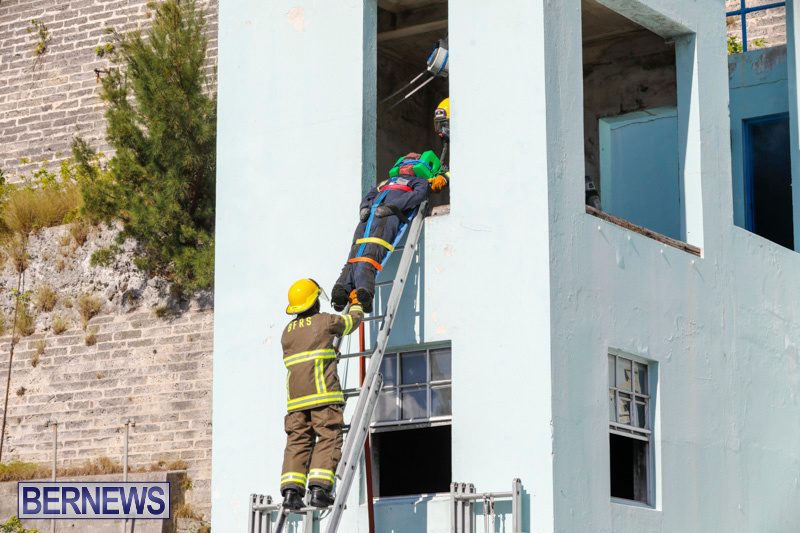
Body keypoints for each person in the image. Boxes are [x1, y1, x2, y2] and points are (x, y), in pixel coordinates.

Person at [279, 279, 364, 509]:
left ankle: (291, 494)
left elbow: (308, 354)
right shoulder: (325, 321)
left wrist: (328, 354)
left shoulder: (287, 333)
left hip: (296, 402)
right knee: (329, 436)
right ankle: (319, 490)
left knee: (297, 442)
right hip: (323, 396)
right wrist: (356, 304)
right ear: (314, 301)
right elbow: (350, 323)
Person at [331, 151, 448, 313]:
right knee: (358, 254)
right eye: (405, 161)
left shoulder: (414, 181)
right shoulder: (388, 182)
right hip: (372, 218)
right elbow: (371, 195)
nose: (406, 165)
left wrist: (390, 207)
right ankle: (346, 289)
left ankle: (359, 290)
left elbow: (418, 195)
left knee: (367, 252)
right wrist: (366, 208)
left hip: (383, 217)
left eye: (410, 162)